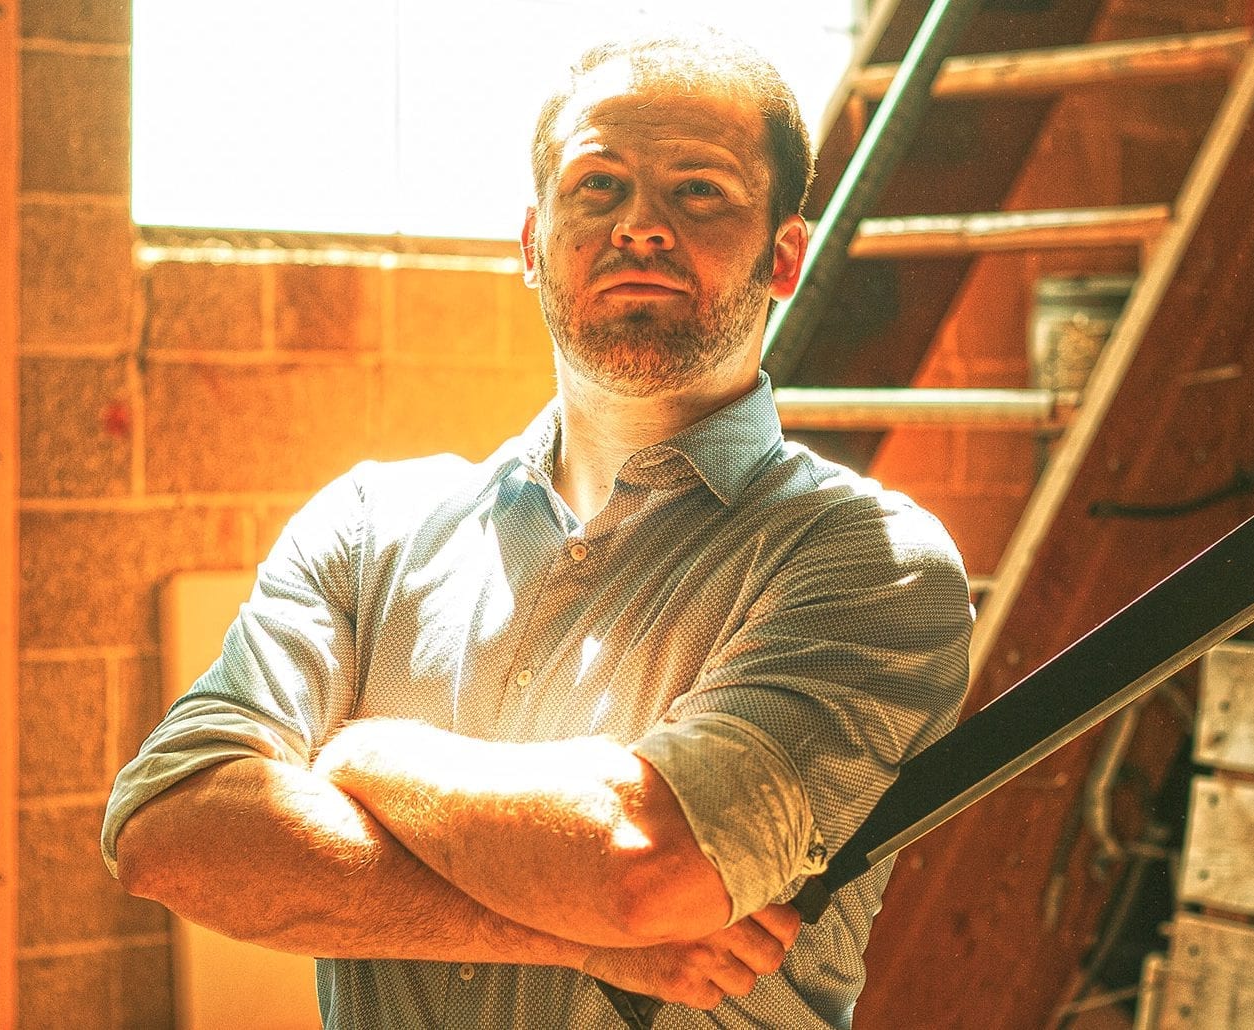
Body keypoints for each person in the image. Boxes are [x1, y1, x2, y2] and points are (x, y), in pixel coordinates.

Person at [102, 28, 972, 1029]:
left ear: (784, 257)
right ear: (532, 243)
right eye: (598, 186)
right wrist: (574, 939)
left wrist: (362, 753)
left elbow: (643, 866)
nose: (640, 227)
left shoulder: (871, 562)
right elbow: (169, 834)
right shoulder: (368, 529)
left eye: (699, 192)